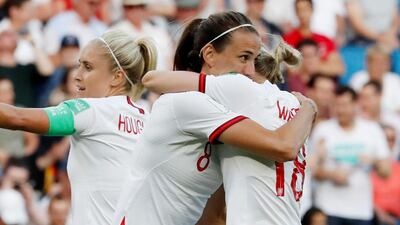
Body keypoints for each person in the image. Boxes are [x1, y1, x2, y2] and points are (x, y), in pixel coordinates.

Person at [115, 11, 316, 225]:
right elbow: (283, 145)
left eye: (254, 60)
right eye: (243, 57)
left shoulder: (231, 125)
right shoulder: (188, 104)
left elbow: (214, 216)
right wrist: (309, 108)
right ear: (209, 55)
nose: (250, 70)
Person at [0, 29, 158, 225]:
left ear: (117, 77)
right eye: (79, 65)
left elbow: (17, 118)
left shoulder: (91, 110)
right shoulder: (147, 118)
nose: (77, 75)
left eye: (88, 67)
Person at [311, 86, 391, 225]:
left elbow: (386, 172)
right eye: (336, 105)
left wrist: (373, 161)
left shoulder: (372, 130)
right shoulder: (323, 129)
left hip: (360, 210)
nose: (340, 110)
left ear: (355, 104)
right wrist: (331, 174)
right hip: (327, 208)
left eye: (345, 105)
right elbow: (310, 170)